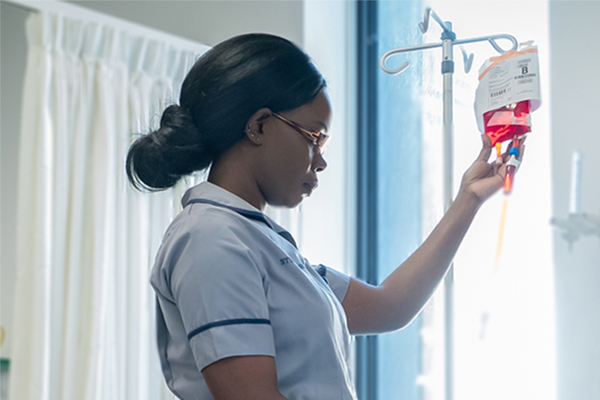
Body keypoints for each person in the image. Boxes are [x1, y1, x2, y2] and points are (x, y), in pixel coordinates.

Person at [126, 33, 523, 400]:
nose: (321, 161)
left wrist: (468, 199)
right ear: (259, 126)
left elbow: (390, 307)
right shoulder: (210, 239)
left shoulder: (259, 240)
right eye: (314, 137)